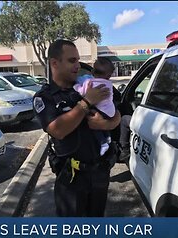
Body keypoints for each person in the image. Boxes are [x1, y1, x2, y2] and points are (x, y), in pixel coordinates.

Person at [32, 39, 121, 217]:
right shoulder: (46, 97)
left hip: (99, 173)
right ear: (54, 63)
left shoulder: (89, 84)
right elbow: (58, 130)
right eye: (72, 60)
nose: (77, 65)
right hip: (72, 178)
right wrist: (87, 102)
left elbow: (118, 113)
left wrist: (106, 124)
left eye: (78, 60)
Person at [73, 57, 115, 156]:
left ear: (93, 71)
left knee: (93, 124)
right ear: (109, 76)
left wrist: (76, 86)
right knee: (102, 122)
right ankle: (108, 137)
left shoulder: (89, 82)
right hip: (110, 111)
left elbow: (82, 91)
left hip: (99, 110)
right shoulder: (109, 84)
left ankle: (103, 142)